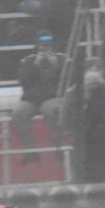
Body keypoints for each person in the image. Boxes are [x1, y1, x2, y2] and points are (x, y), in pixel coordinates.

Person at [12, 32, 67, 164]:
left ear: (53, 45)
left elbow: (67, 80)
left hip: (53, 97)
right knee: (18, 112)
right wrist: (34, 65)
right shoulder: (28, 60)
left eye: (48, 45)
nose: (45, 48)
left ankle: (57, 148)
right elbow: (23, 81)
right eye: (42, 45)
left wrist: (56, 65)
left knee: (51, 110)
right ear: (37, 46)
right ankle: (30, 151)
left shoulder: (62, 58)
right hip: (31, 99)